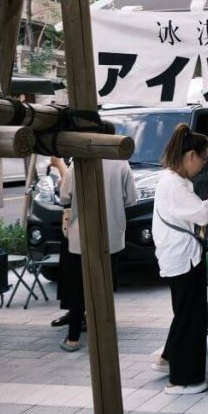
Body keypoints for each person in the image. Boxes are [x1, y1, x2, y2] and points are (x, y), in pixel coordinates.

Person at [152, 124, 208, 393]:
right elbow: (202, 213)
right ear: (191, 156)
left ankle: (168, 359)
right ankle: (183, 380)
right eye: (204, 158)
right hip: (183, 258)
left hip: (176, 256)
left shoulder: (170, 180)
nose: (203, 164)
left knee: (185, 314)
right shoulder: (174, 185)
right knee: (190, 318)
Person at [56, 124, 137, 349]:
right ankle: (103, 335)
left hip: (80, 236)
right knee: (105, 286)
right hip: (111, 236)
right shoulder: (121, 163)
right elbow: (131, 198)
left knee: (78, 287)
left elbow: (64, 195)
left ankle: (73, 338)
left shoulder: (79, 161)